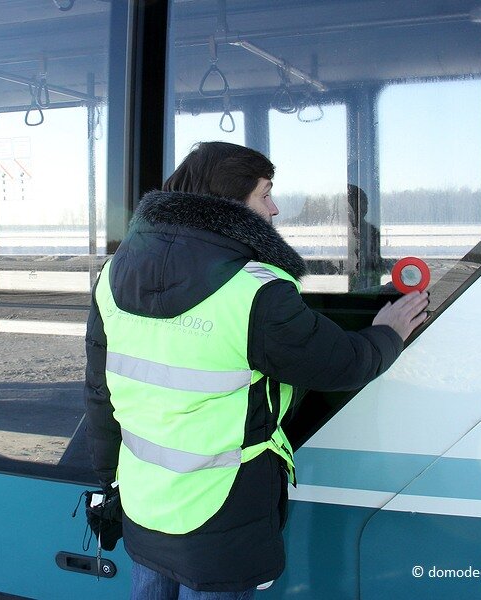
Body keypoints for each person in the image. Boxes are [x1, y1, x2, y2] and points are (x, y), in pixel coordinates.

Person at [84, 142, 428, 599]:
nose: (275, 207)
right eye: (265, 193)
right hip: (222, 512)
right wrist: (388, 332)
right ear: (231, 200)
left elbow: (99, 393)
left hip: (145, 503)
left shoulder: (112, 277)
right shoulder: (254, 290)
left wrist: (111, 479)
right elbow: (339, 363)